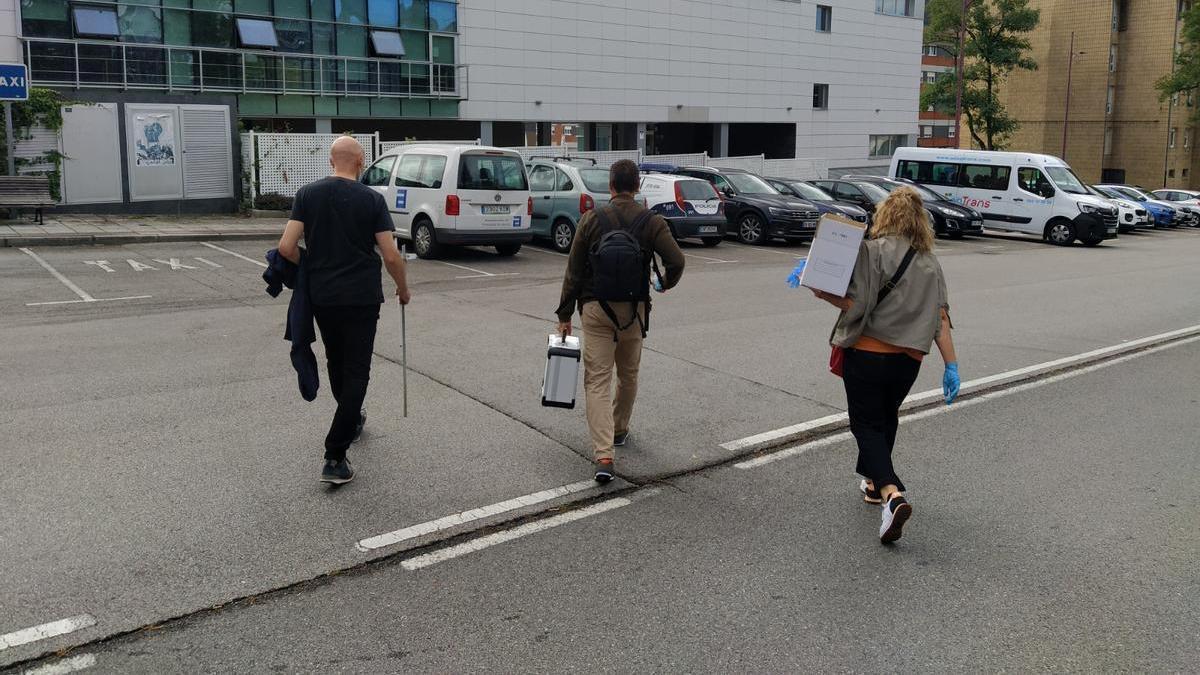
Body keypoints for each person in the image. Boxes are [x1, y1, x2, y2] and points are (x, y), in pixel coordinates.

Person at [812, 186, 960, 544]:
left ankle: (892, 495)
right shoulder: (930, 262)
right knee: (886, 418)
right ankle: (873, 485)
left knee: (865, 425)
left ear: (885, 216)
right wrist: (950, 365)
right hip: (907, 361)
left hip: (867, 353)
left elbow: (855, 305)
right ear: (919, 222)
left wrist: (818, 289)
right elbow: (941, 318)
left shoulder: (871, 252)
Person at [278, 136, 411, 485]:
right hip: (362, 298)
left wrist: (312, 263)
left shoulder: (308, 195)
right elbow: (391, 254)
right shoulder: (371, 199)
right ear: (360, 161)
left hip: (323, 297)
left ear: (331, 162)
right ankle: (335, 455)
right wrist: (403, 287)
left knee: (337, 362)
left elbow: (286, 247)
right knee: (357, 372)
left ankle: (350, 419)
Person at [556, 160, 685, 483]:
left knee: (597, 380)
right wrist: (664, 283)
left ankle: (603, 455)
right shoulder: (651, 221)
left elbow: (573, 272)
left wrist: (564, 315)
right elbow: (677, 260)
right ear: (637, 186)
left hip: (596, 309)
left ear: (611, 186)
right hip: (634, 311)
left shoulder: (591, 219)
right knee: (628, 375)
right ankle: (620, 429)